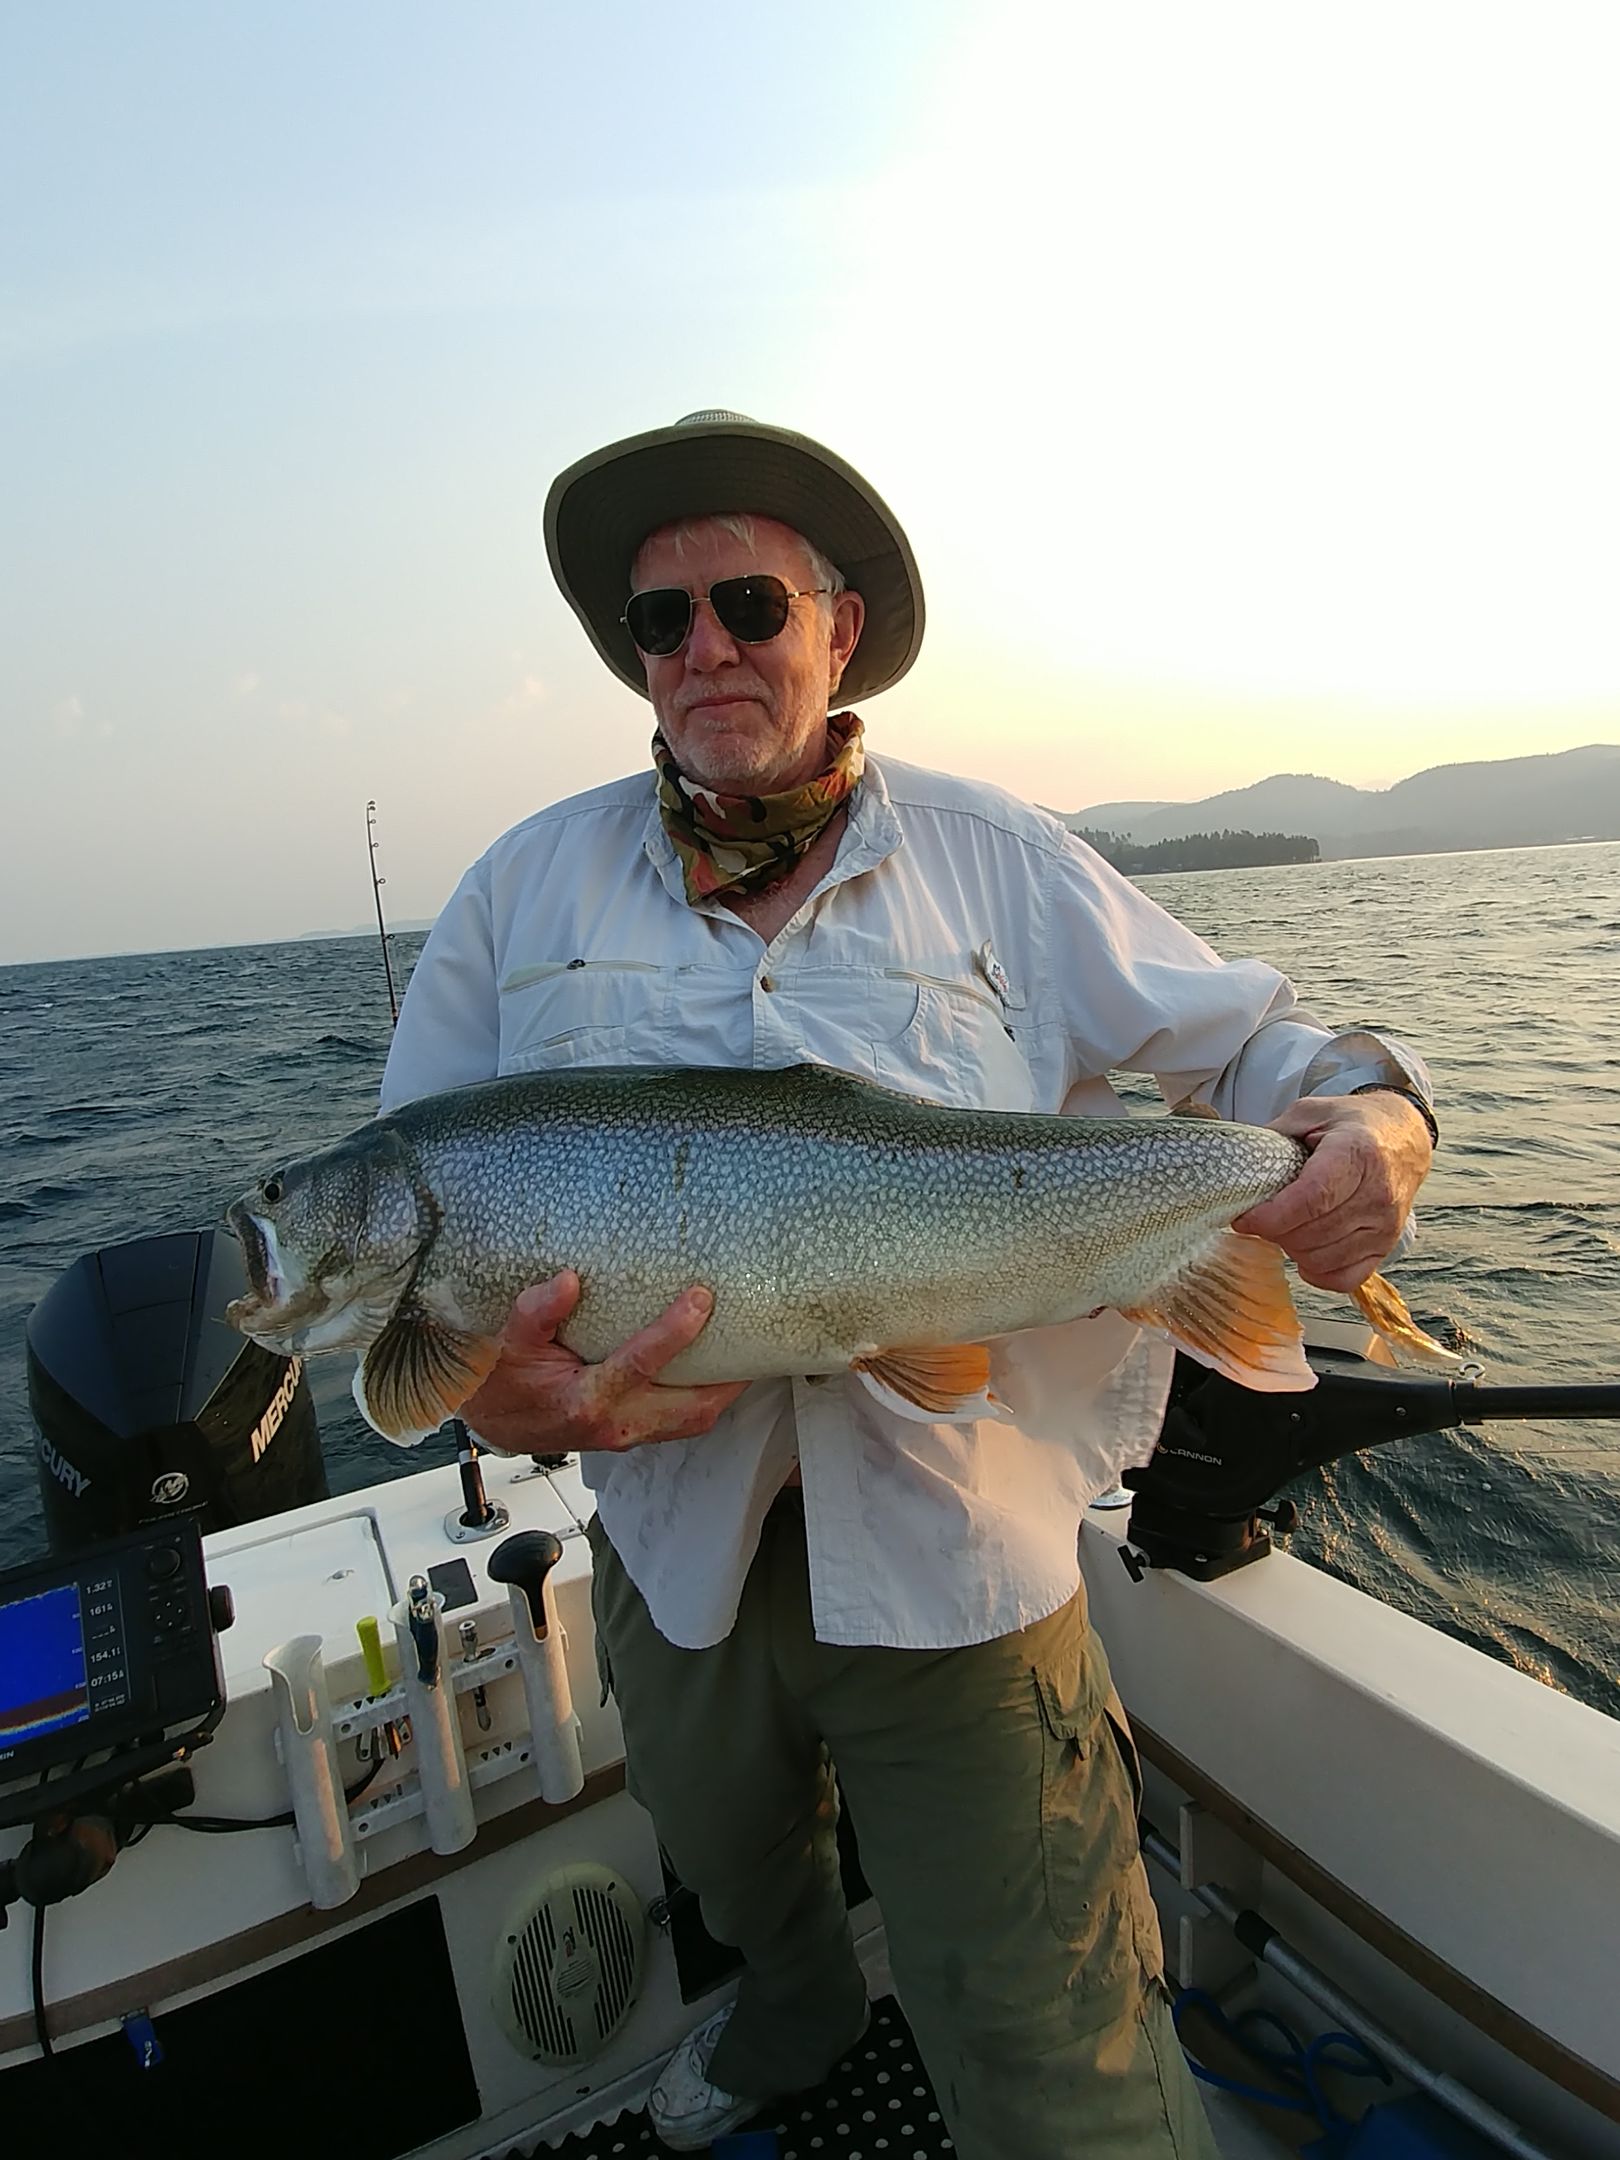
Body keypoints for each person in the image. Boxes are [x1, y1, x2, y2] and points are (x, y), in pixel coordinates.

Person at [380, 411, 1437, 2158]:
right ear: (633, 659)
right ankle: (792, 2013)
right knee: (730, 1871)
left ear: (836, 627)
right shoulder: (517, 895)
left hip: (958, 1556)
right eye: (664, 621)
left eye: (749, 602)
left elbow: (1262, 1041)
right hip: (672, 1559)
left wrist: (1381, 1118)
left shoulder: (1007, 864)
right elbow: (420, 1195)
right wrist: (495, 1387)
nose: (708, 647)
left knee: (1056, 2050)